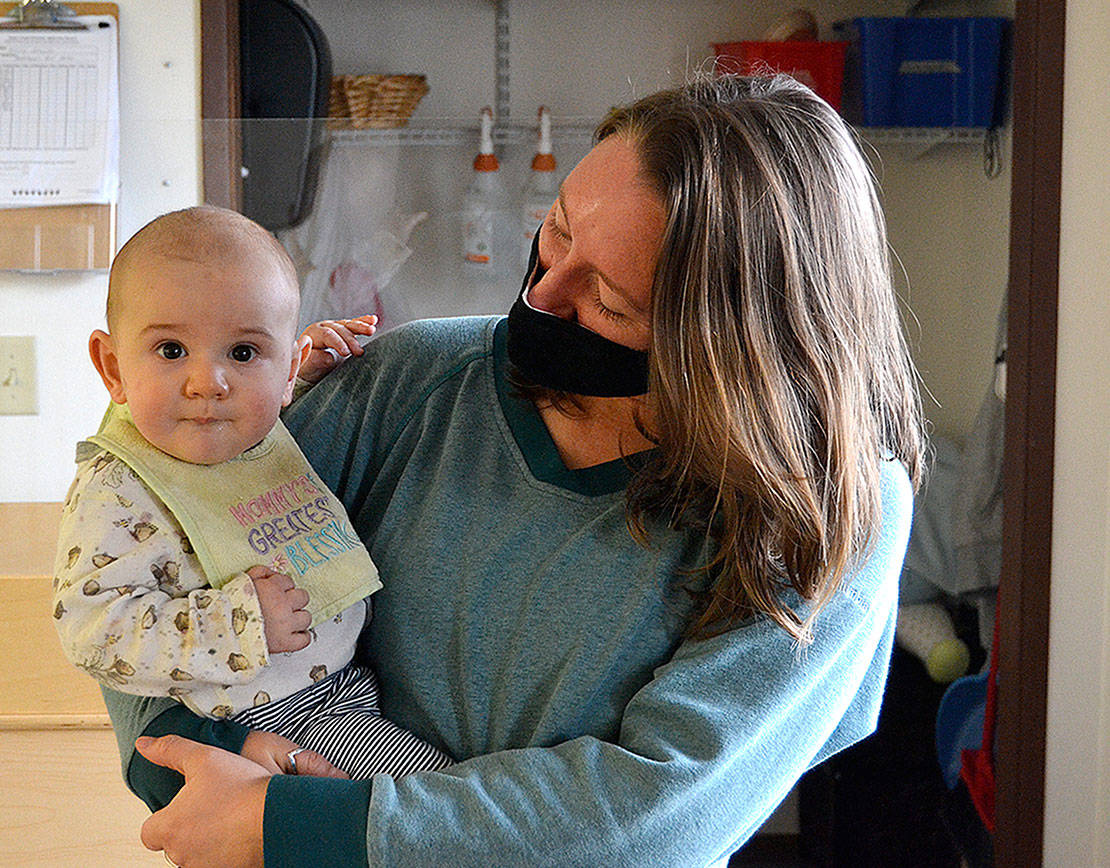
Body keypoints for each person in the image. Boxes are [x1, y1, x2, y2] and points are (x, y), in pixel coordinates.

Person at [104, 74, 925, 867]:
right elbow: (139, 595)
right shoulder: (408, 384)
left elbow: (654, 817)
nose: (543, 293)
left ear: (726, 347)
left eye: (608, 300)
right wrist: (216, 769)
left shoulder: (824, 506)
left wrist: (315, 825)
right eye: (558, 231)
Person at [53, 205, 450, 781]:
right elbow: (91, 629)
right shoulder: (118, 488)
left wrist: (302, 378)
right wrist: (238, 625)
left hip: (346, 688)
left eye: (243, 352)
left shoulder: (241, 432)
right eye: (170, 350)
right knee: (435, 803)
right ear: (112, 367)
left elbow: (262, 417)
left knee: (446, 802)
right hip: (269, 721)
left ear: (285, 371)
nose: (207, 384)